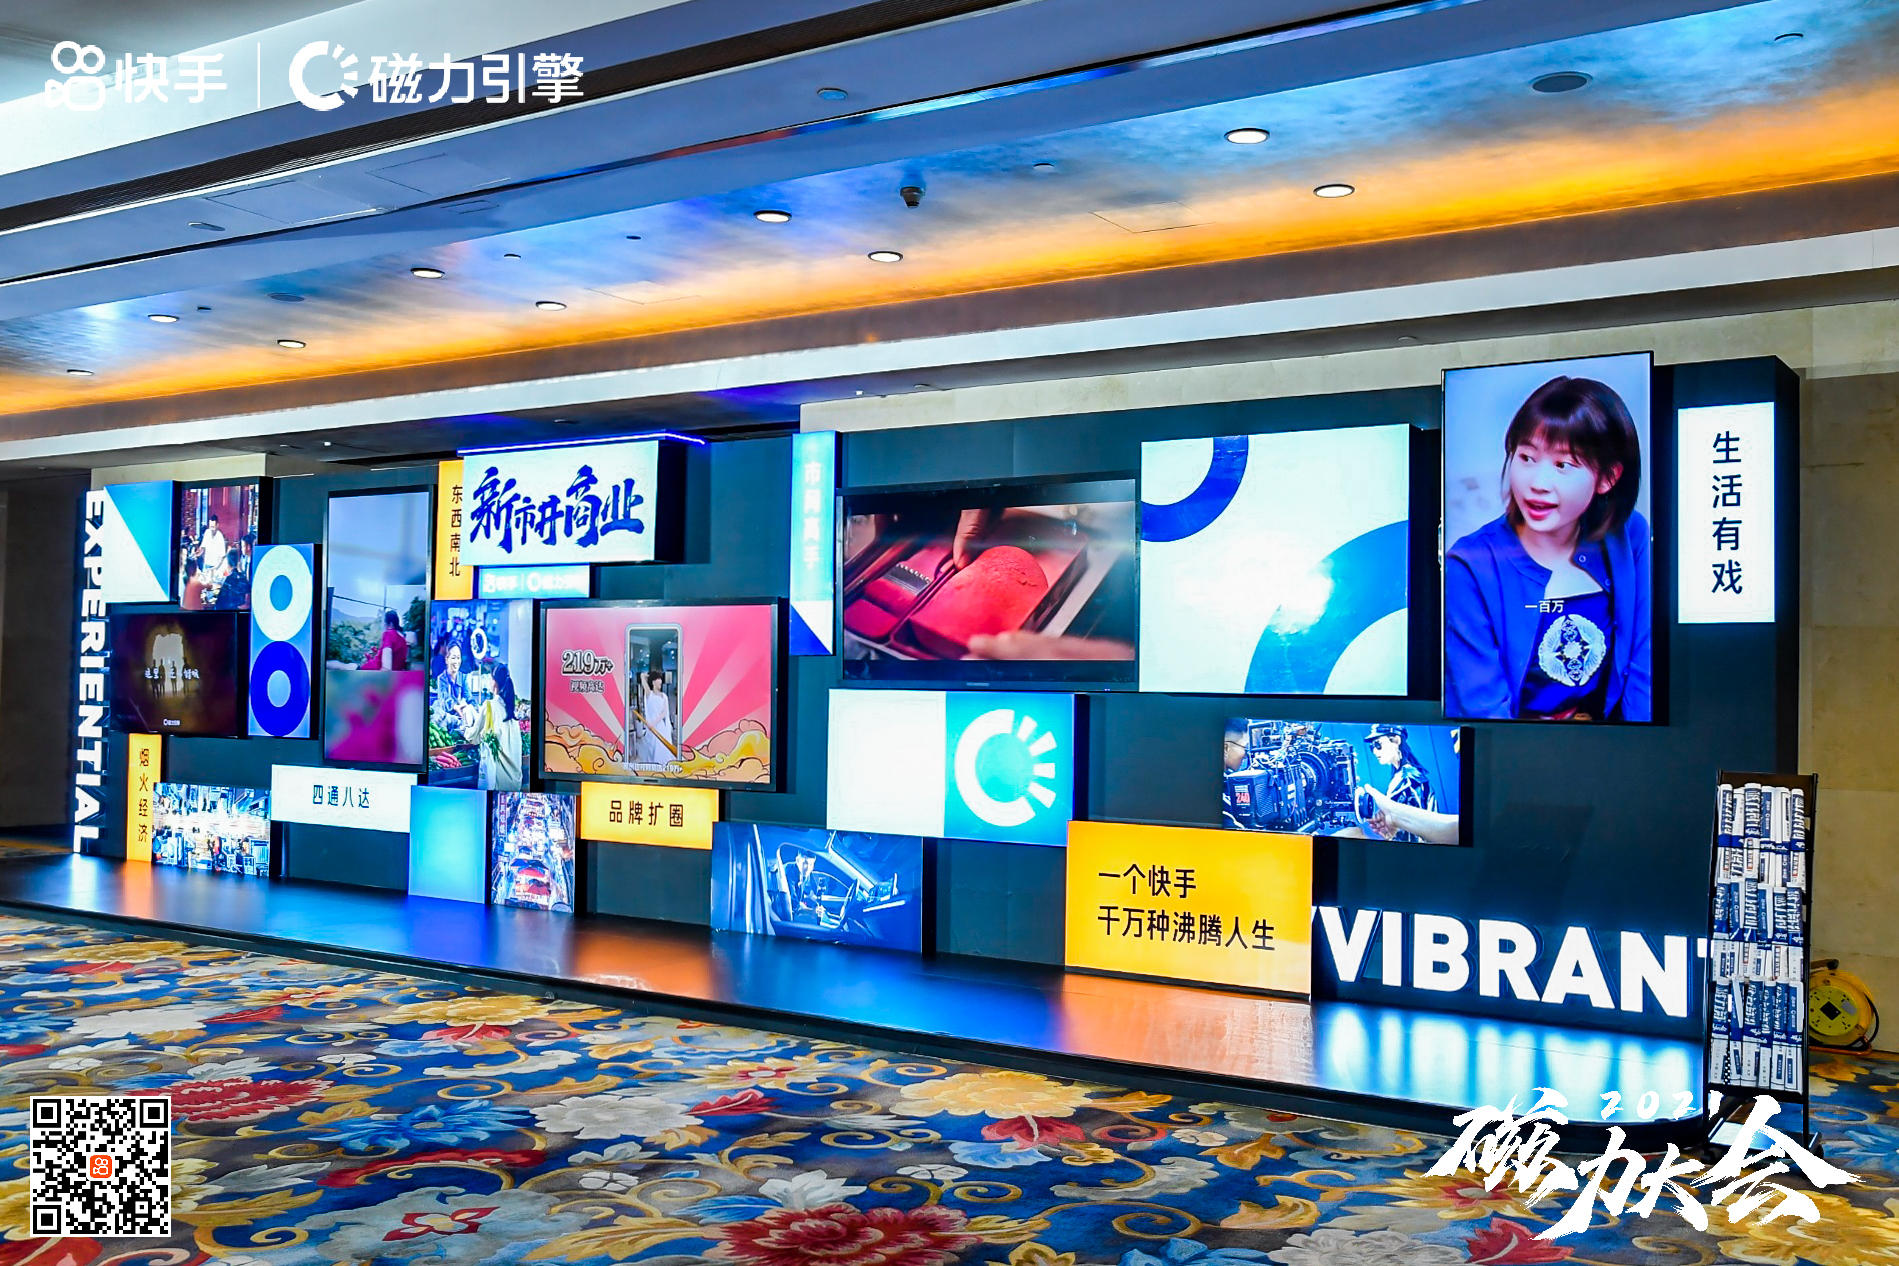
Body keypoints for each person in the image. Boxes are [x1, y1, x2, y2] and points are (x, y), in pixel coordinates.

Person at [1445, 375, 1651, 721]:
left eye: (1563, 465)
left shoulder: (1629, 536)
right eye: (1526, 457)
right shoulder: (1470, 565)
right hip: (1514, 746)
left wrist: (1639, 744)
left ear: (1607, 478)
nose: (1537, 484)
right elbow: (1483, 710)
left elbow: (1645, 669)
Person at [1360, 724, 1438, 843]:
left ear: (1396, 740)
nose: (1375, 751)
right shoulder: (1404, 776)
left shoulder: (1408, 779)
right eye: (1372, 747)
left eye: (1378, 744)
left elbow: (1417, 828)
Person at [637, 669, 674, 765]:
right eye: (658, 679)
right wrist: (646, 675)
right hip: (651, 728)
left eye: (660, 679)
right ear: (653, 682)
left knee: (662, 749)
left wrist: (654, 723)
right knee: (652, 750)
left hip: (661, 727)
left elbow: (664, 712)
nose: (660, 681)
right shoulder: (649, 694)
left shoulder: (664, 696)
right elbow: (642, 677)